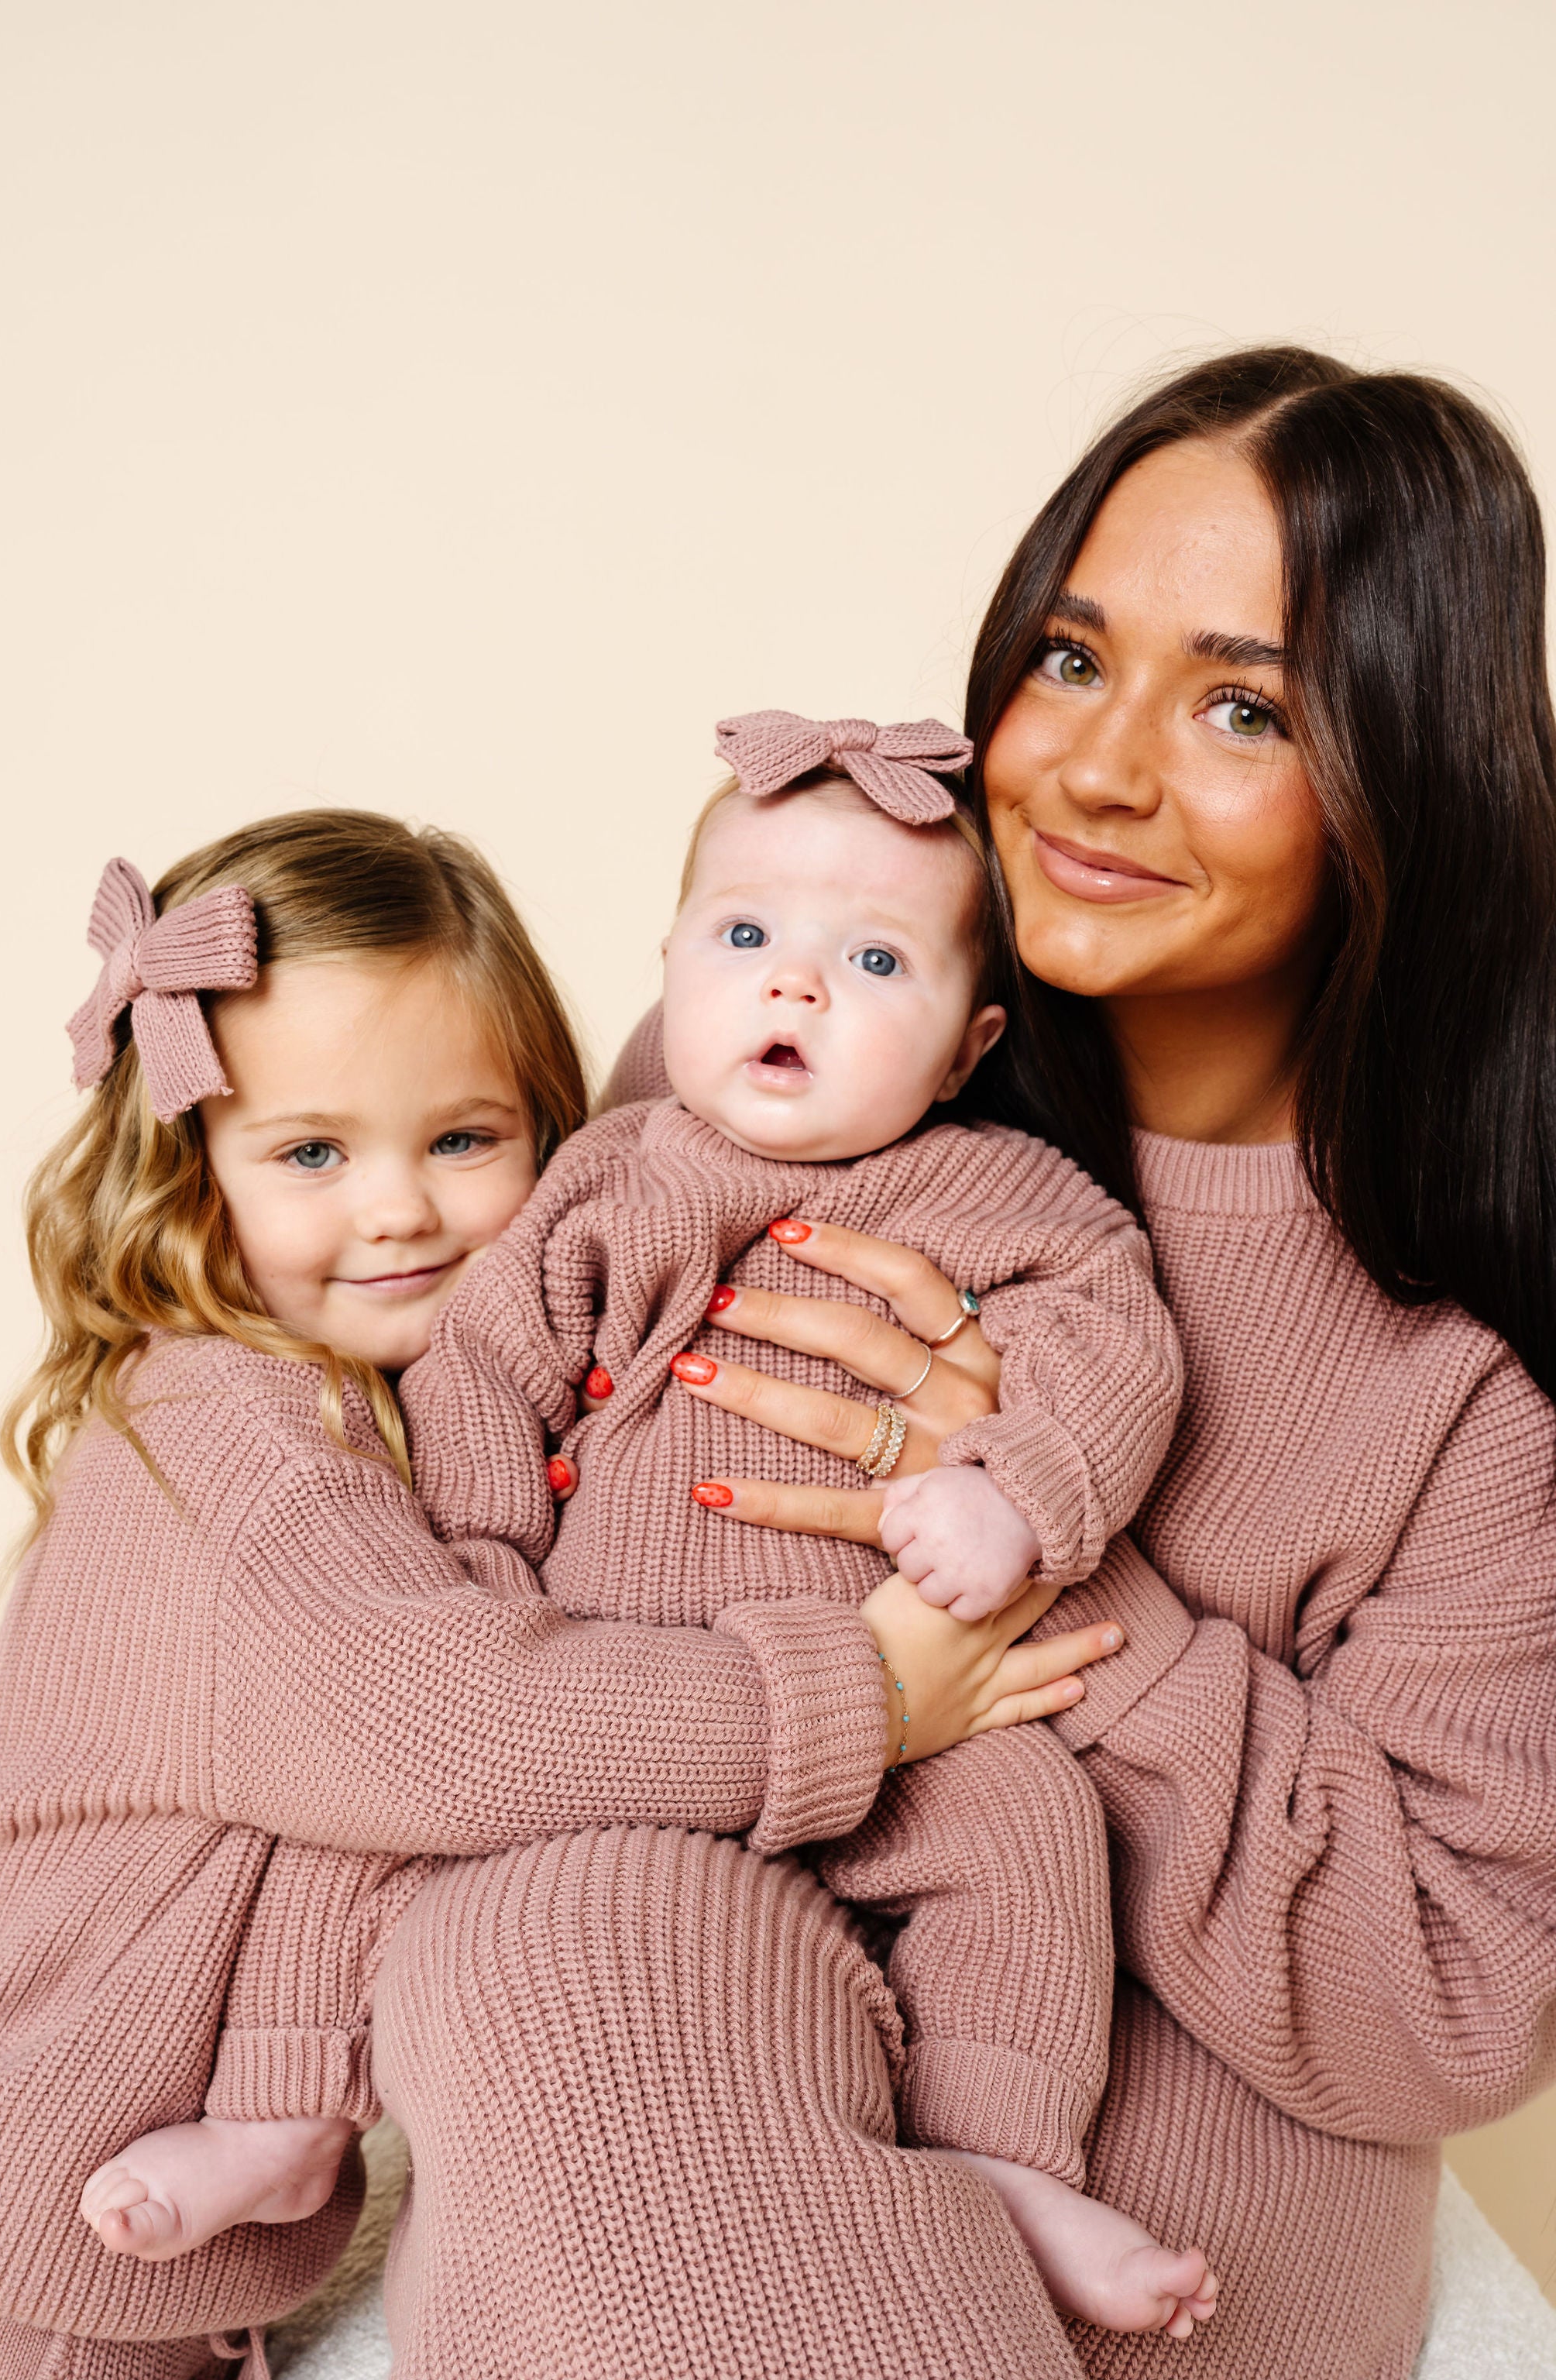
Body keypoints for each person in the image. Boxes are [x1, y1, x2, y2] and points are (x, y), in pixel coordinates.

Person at [603, 347, 1556, 2377]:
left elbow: (1455, 2009)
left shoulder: (1467, 1381)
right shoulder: (792, 1062)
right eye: (1067, 659)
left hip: (1179, 2313)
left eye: (1240, 706)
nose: (1097, 771)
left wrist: (1056, 1551)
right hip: (678, 2196)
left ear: (1411, 777)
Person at [81, 712, 1218, 2340]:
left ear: (968, 1048)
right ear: (669, 967)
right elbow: (484, 1385)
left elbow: (1118, 1348)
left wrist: (1017, 1489)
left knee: (1036, 1842)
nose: (794, 987)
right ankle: (289, 2105)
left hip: (915, 1718)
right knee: (365, 1821)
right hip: (616, 1680)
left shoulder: (1006, 1199)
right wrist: (471, 1572)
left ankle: (1003, 2151)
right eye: (746, 937)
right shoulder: (603, 1187)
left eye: (873, 962)